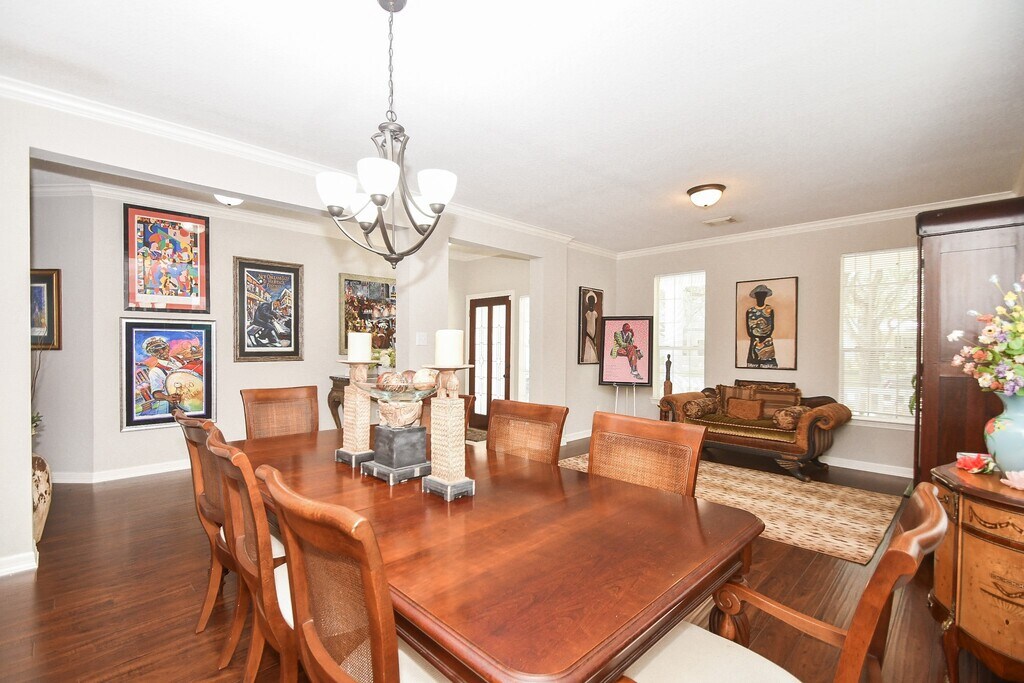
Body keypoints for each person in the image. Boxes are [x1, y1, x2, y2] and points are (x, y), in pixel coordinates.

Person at [141, 336, 183, 413]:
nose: (161, 352)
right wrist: (167, 397)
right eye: (156, 351)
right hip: (176, 404)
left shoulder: (179, 359)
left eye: (163, 348)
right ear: (152, 354)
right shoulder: (155, 371)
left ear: (168, 347)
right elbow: (156, 394)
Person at [745, 284, 778, 367]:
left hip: (766, 340)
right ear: (756, 296)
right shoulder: (750, 311)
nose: (761, 297)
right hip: (754, 340)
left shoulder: (769, 309)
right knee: (754, 362)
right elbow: (748, 329)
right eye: (759, 295)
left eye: (763, 295)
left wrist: (765, 336)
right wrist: (755, 337)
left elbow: (772, 326)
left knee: (767, 364)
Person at [582, 291, 599, 363]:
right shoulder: (587, 314)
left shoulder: (595, 314)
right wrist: (589, 335)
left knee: (593, 351)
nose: (591, 303)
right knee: (588, 348)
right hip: (588, 335)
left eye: (592, 302)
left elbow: (596, 325)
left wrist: (594, 336)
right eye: (590, 302)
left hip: (593, 335)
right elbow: (585, 326)